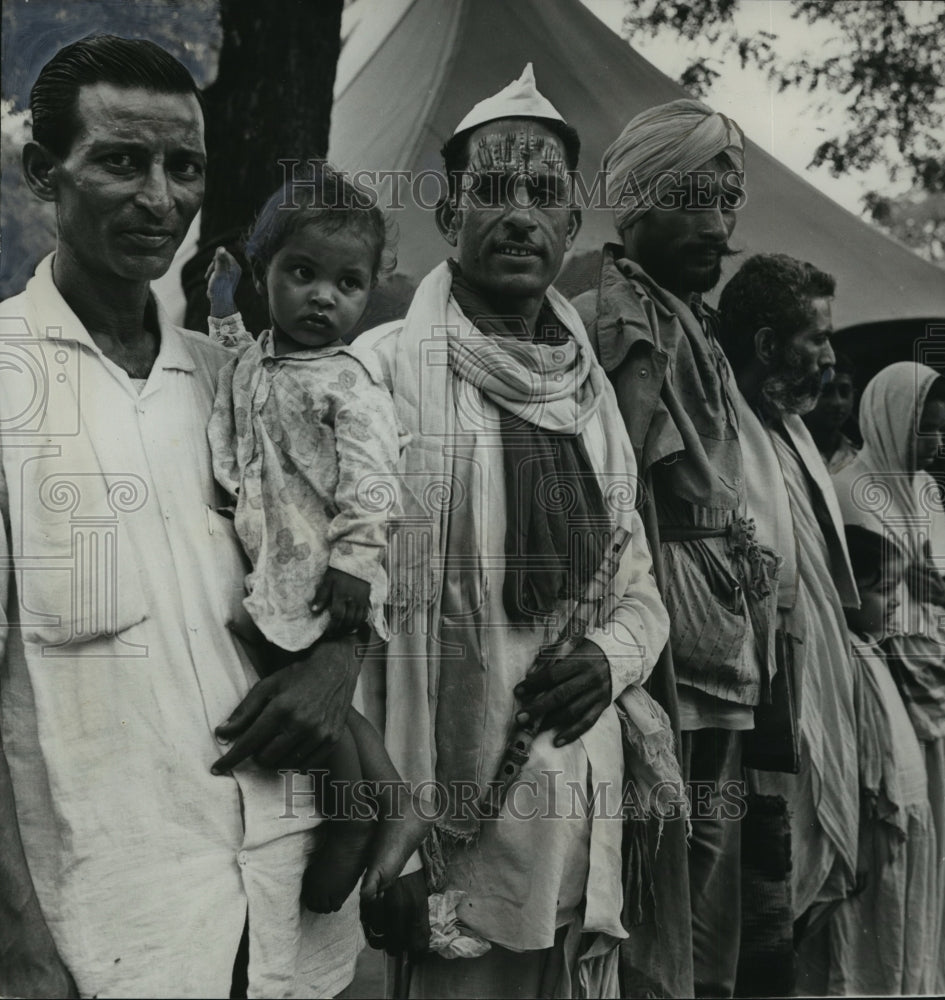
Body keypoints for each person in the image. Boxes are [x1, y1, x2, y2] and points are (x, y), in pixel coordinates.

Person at [0, 35, 376, 997]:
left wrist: (340, 659)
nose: (160, 198)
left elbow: (338, 539)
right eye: (122, 161)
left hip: (282, 897)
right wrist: (18, 941)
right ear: (44, 171)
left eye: (185, 167)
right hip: (112, 919)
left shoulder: (236, 381)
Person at [353, 64, 674, 998]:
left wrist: (611, 661)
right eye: (493, 190)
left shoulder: (593, 397)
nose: (521, 214)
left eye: (546, 196)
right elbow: (341, 621)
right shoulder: (379, 374)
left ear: (574, 229)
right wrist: (389, 824)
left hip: (573, 813)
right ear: (447, 215)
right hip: (436, 837)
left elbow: (641, 591)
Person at [573, 99, 778, 999]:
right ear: (641, 202)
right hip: (668, 649)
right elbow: (618, 506)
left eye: (729, 203)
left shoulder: (689, 318)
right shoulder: (624, 324)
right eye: (697, 199)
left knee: (704, 894)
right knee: (661, 893)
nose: (719, 226)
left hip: (718, 640)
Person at [204, 164, 429, 917]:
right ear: (264, 272)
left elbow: (375, 479)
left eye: (347, 283)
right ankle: (396, 798)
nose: (324, 297)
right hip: (282, 559)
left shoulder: (348, 382)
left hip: (322, 567)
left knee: (313, 697)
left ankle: (352, 814)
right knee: (329, 694)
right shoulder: (263, 359)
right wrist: (221, 309)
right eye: (302, 274)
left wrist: (358, 565)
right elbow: (236, 365)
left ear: (369, 291)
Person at [716, 253, 860, 988]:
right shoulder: (719, 430)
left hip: (813, 692)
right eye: (816, 339)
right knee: (745, 913)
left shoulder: (791, 433)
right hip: (749, 716)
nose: (831, 358)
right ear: (767, 345)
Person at [832, 362, 945, 993]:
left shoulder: (928, 494)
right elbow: (864, 602)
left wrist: (940, 596)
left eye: (940, 433)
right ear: (889, 421)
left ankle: (924, 973)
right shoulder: (853, 490)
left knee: (936, 837)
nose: (933, 447)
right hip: (886, 690)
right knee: (892, 845)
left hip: (940, 682)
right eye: (923, 432)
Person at [796, 523, 937, 995]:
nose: (896, 600)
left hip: (900, 826)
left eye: (898, 587)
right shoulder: (846, 658)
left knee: (898, 941)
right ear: (847, 594)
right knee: (863, 954)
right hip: (872, 832)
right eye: (883, 589)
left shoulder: (873, 651)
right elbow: (847, 760)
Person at [802, 353, 860, 473]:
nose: (837, 402)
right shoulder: (789, 452)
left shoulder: (859, 457)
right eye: (825, 392)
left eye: (844, 392)